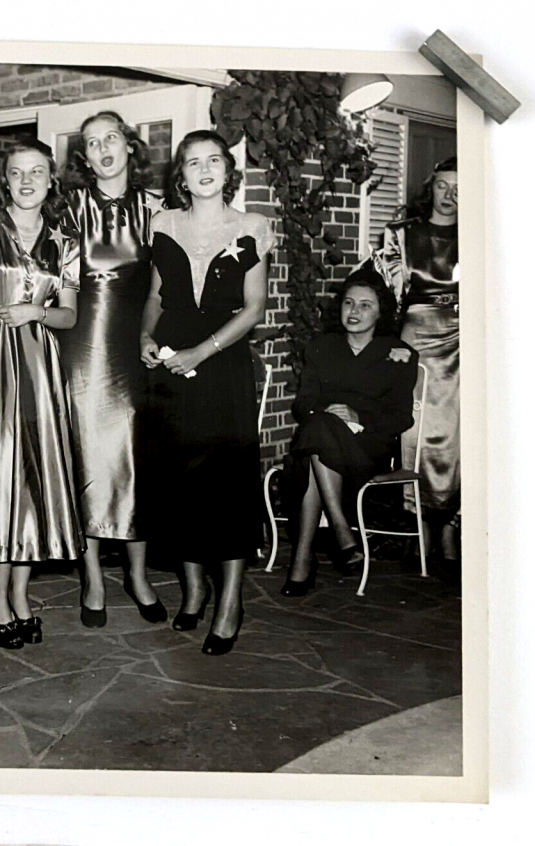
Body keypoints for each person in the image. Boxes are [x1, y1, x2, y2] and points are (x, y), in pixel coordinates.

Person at [141, 129, 273, 654]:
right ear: (182, 174)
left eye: (213, 160)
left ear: (227, 170)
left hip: (222, 368)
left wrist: (204, 350)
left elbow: (255, 308)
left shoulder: (253, 226)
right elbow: (154, 296)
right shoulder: (163, 223)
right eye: (192, 162)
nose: (203, 169)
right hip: (170, 370)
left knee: (225, 486)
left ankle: (230, 602)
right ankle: (193, 590)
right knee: (178, 485)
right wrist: (145, 337)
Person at [59, 111, 166, 628]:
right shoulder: (69, 208)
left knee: (135, 462)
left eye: (111, 138)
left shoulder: (157, 209)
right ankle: (94, 577)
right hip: (80, 347)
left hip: (133, 346)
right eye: (92, 142)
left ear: (130, 145)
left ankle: (137, 574)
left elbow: (165, 290)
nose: (103, 148)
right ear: (84, 155)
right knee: (86, 461)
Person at [0, 138, 84, 649]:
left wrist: (35, 312)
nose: (26, 182)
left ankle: (19, 594)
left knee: (33, 482)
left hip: (40, 367)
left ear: (50, 181)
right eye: (17, 173)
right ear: (6, 180)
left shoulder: (65, 242)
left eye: (37, 172)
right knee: (2, 479)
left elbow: (69, 315)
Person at [279, 267, 419, 596]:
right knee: (319, 428)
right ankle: (341, 530)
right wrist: (326, 414)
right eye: (348, 303)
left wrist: (358, 415)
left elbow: (401, 417)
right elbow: (303, 404)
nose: (354, 312)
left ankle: (304, 559)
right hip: (323, 443)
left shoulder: (398, 354)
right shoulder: (321, 347)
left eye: (365, 305)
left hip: (369, 449)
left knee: (315, 439)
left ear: (381, 311)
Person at [374, 157, 460, 564]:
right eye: (443, 186)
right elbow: (388, 297)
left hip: (465, 339)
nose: (451, 195)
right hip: (418, 337)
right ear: (432, 188)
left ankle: (448, 527)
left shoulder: (481, 234)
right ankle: (419, 525)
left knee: (458, 437)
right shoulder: (402, 236)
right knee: (417, 433)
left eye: (460, 187)